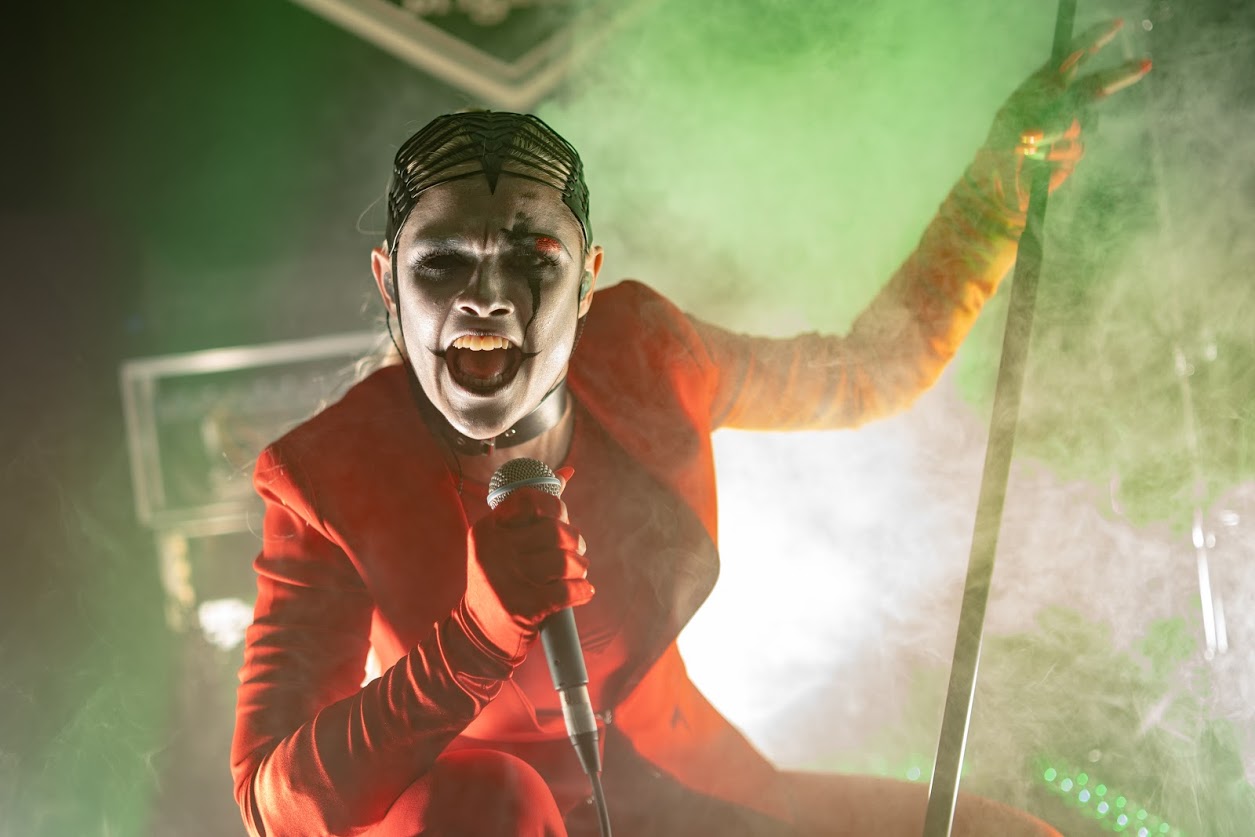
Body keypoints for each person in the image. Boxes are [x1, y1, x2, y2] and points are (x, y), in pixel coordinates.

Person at [231, 19, 1149, 837]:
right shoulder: (322, 478)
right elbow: (276, 802)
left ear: (587, 280)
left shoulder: (647, 355)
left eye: (533, 257)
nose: (487, 295)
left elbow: (869, 371)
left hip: (690, 795)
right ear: (389, 282)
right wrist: (475, 636)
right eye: (442, 262)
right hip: (481, 821)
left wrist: (997, 191)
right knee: (486, 806)